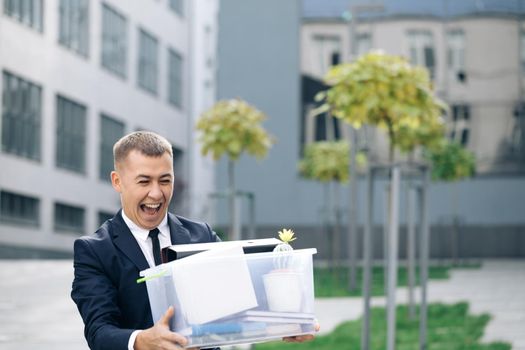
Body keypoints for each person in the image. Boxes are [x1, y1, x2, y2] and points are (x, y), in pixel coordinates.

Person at [71, 131, 316, 350]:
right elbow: (99, 332)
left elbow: (244, 299)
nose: (156, 193)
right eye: (144, 181)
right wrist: (143, 341)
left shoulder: (202, 235)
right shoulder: (94, 251)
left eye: (165, 180)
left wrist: (290, 321)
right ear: (117, 181)